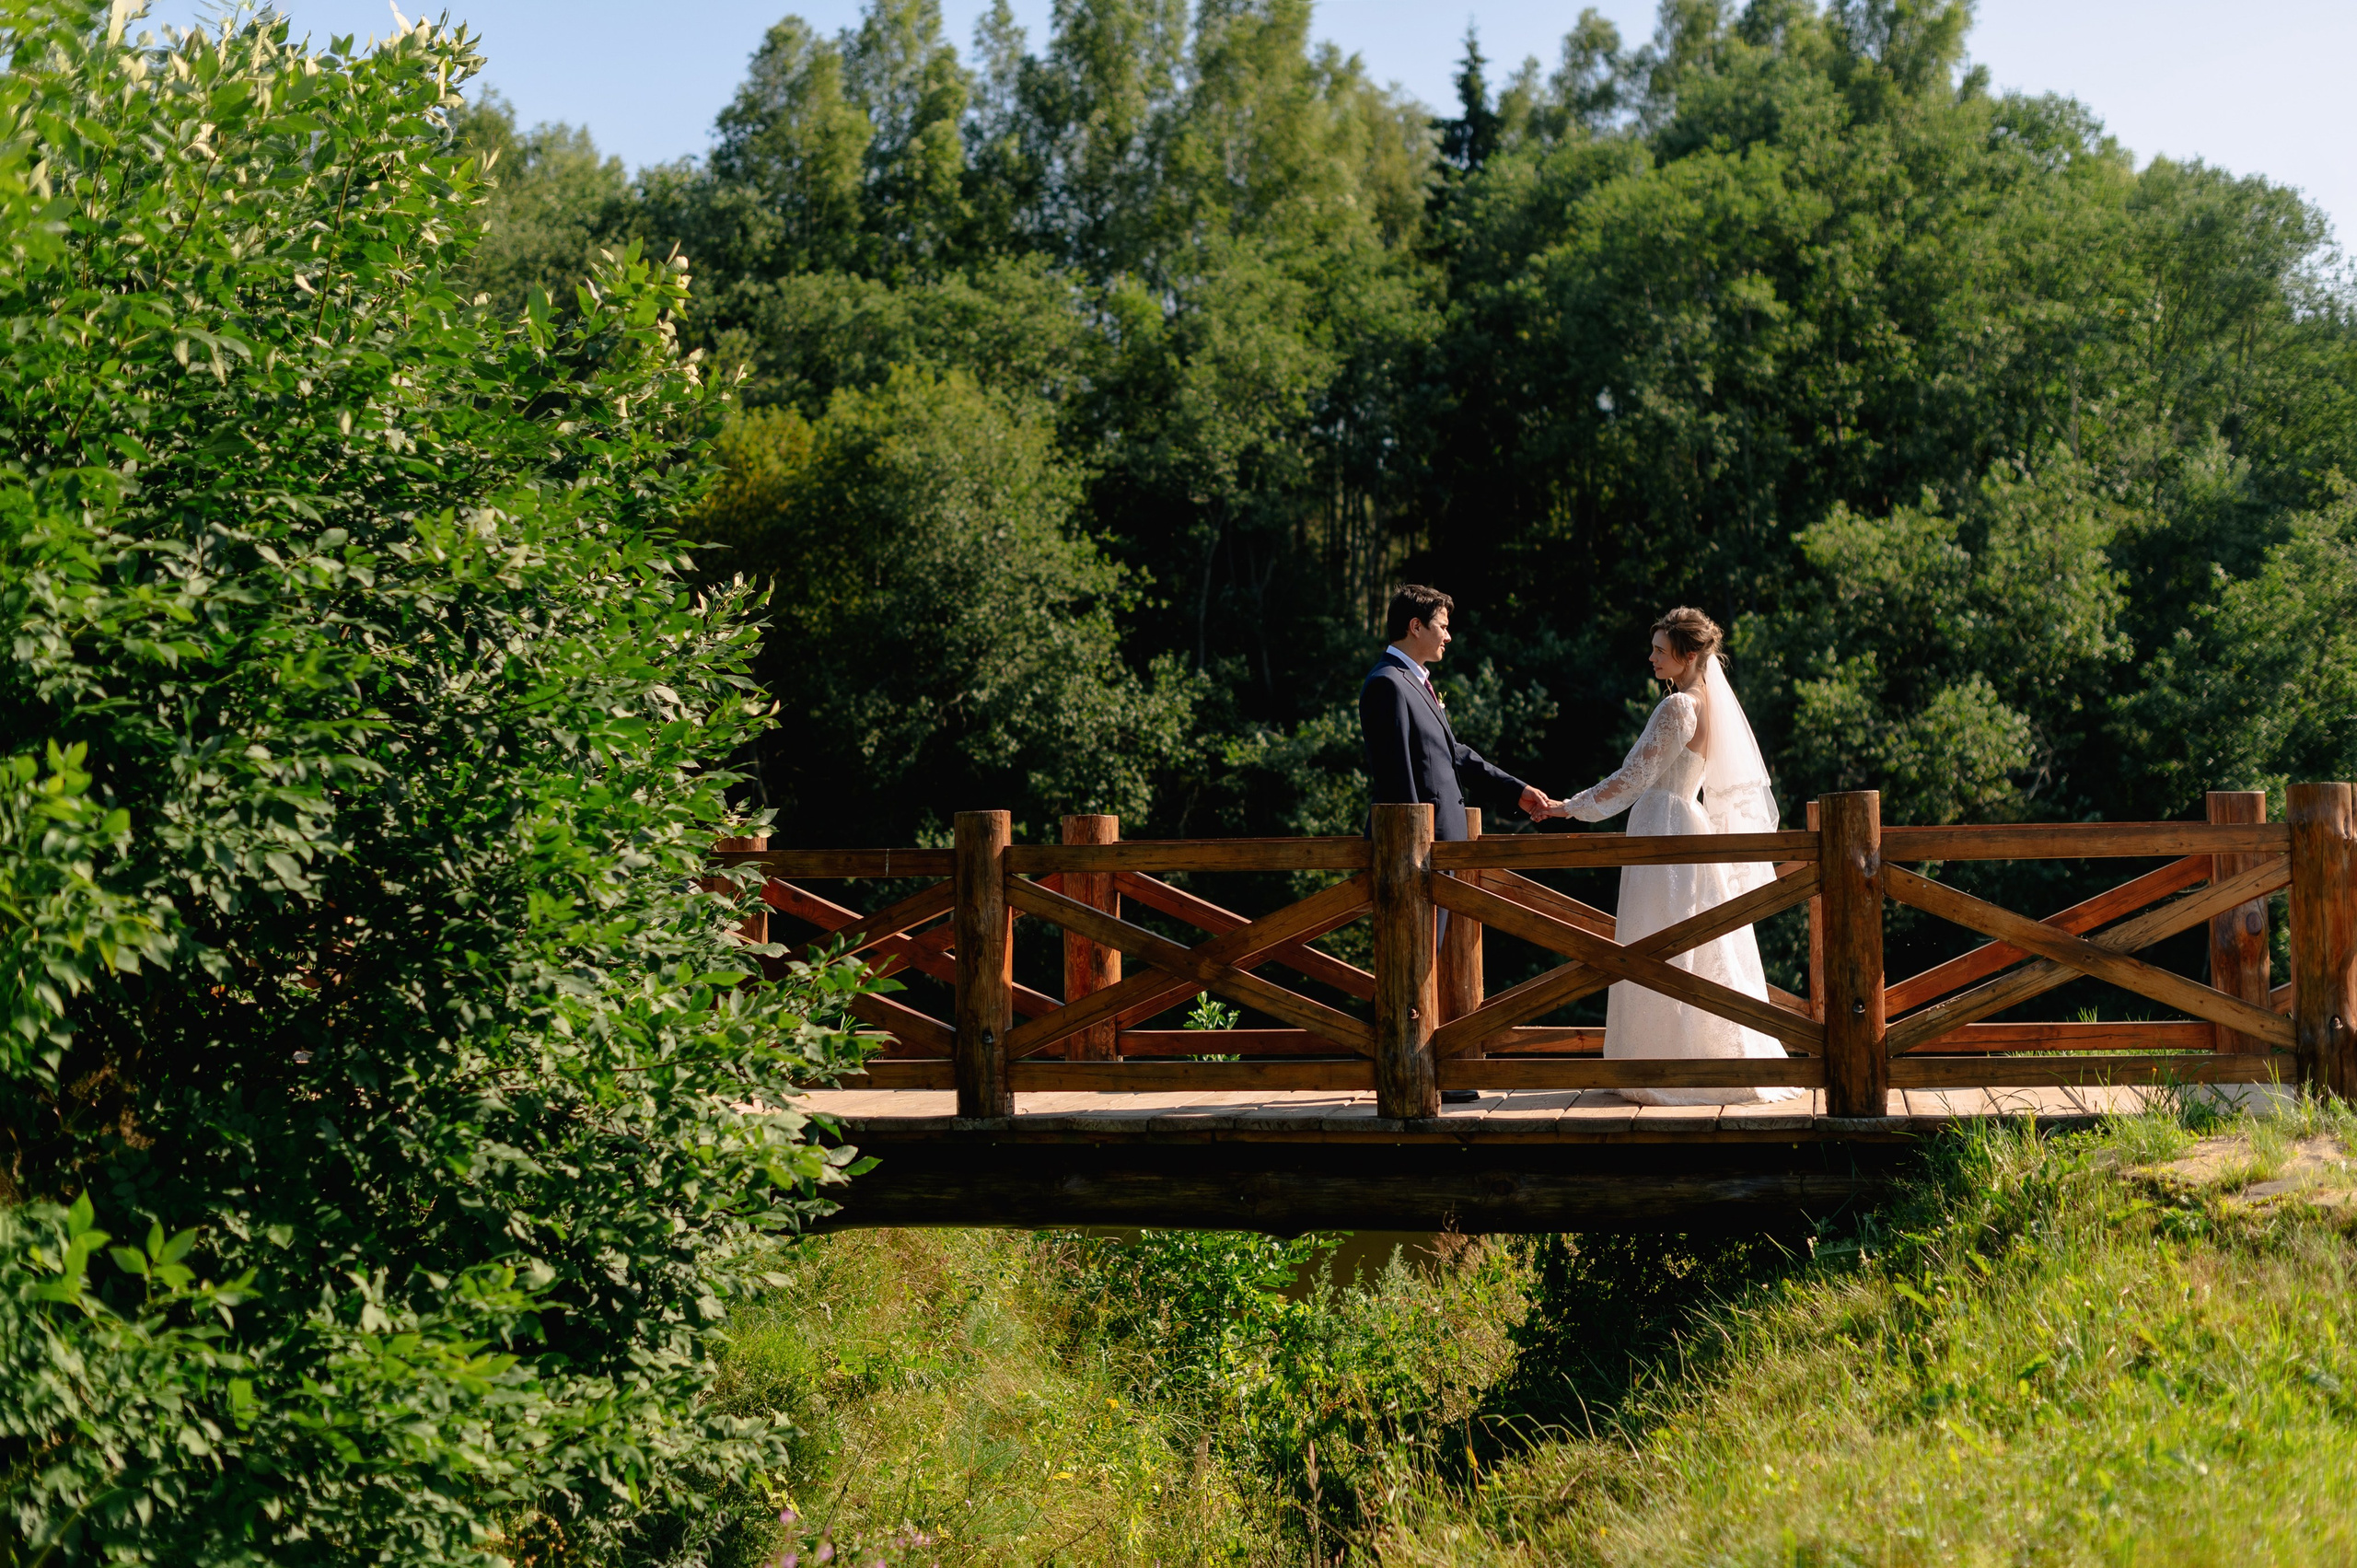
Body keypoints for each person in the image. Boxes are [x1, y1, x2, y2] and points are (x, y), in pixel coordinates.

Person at [1541, 607, 1800, 1106]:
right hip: (1686, 822)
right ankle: (1694, 1058)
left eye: (1661, 650)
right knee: (1685, 941)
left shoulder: (1680, 706)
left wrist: (1568, 807)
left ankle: (1660, 1064)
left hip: (1663, 828)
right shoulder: (1709, 703)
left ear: (1688, 654)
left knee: (1656, 938)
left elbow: (1631, 779)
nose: (1652, 658)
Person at [1360, 584, 1550, 843]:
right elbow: (1395, 777)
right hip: (1418, 844)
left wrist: (1516, 791)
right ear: (1416, 627)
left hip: (1440, 842)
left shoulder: (1413, 682)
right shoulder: (1387, 683)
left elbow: (1453, 754)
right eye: (1443, 627)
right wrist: (1414, 845)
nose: (1448, 637)